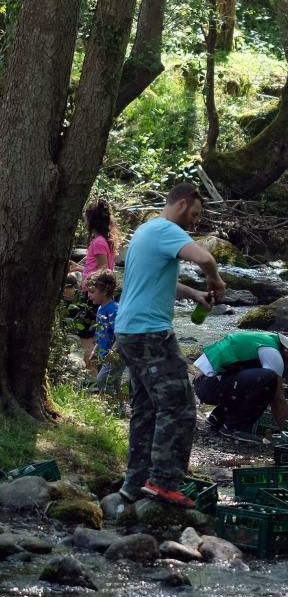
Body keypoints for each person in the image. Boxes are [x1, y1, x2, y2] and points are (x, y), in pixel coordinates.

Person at [115, 182, 225, 508]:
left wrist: (194, 294)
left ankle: (133, 484)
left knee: (146, 410)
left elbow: (158, 280)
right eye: (196, 212)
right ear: (182, 202)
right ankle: (162, 482)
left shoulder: (146, 231)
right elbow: (204, 257)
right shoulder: (166, 229)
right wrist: (215, 280)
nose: (196, 220)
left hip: (128, 332)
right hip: (150, 334)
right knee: (179, 407)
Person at [193, 329, 288, 444]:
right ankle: (235, 428)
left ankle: (217, 418)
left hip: (209, 382)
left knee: (255, 382)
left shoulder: (269, 340)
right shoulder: (273, 354)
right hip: (207, 384)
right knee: (267, 380)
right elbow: (277, 400)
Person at [69, 199, 121, 373]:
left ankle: (93, 372)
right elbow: (96, 267)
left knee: (86, 333)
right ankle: (94, 371)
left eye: (85, 217)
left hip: (92, 293)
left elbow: (103, 269)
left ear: (92, 219)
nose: (84, 221)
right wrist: (80, 268)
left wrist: (89, 282)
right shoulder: (103, 240)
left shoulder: (98, 241)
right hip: (95, 291)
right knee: (93, 332)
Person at [86, 269, 125, 395]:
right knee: (112, 382)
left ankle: (112, 408)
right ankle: (116, 408)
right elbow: (101, 332)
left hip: (116, 354)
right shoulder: (101, 308)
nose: (89, 295)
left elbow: (120, 333)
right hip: (104, 353)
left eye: (92, 292)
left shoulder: (114, 309)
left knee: (103, 380)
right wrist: (95, 350)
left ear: (105, 291)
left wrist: (113, 352)